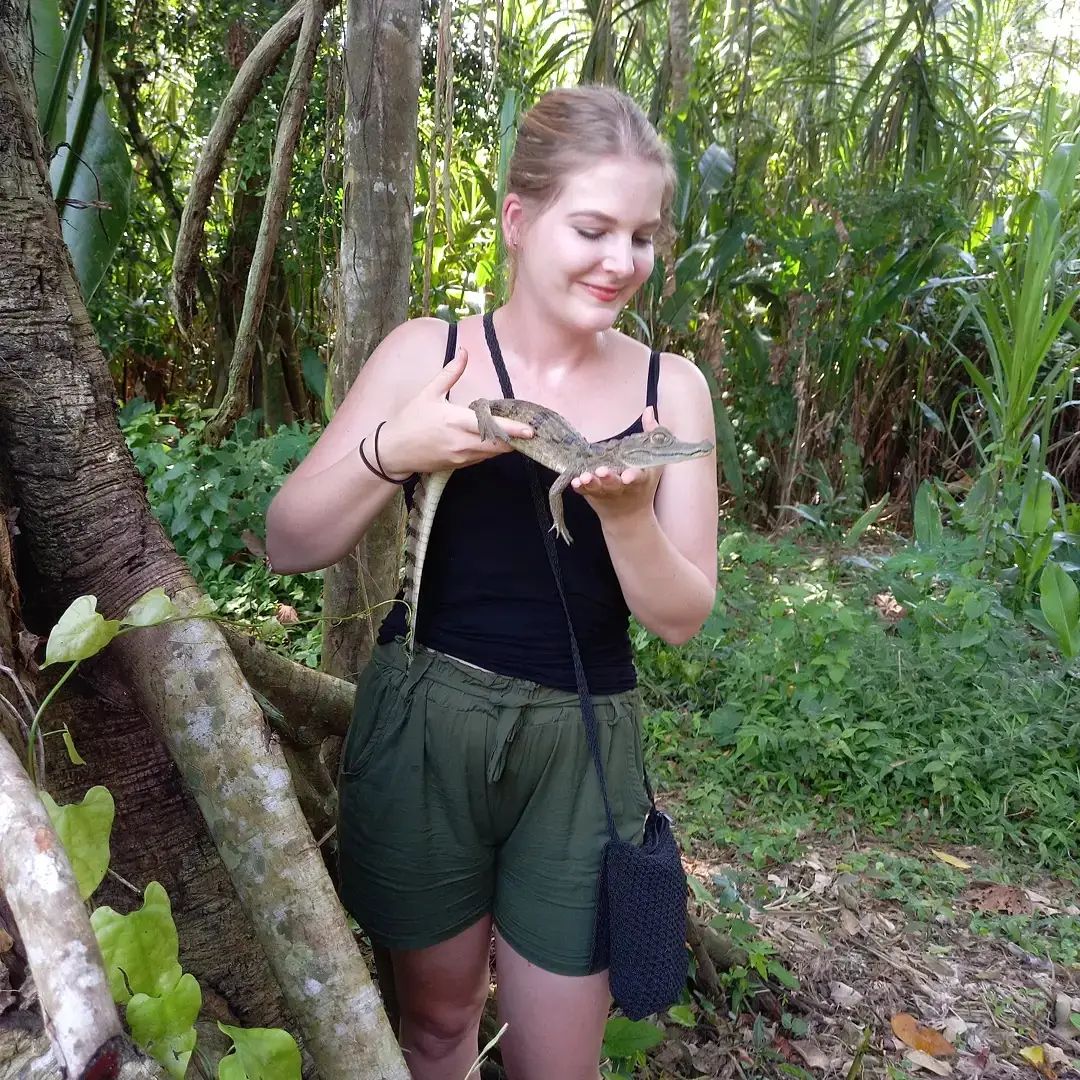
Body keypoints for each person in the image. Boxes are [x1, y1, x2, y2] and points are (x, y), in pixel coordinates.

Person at [266, 85, 718, 1080]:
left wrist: (629, 517)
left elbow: (683, 617)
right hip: (427, 718)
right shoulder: (433, 354)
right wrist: (400, 445)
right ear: (519, 220)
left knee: (560, 1063)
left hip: (584, 743)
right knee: (433, 1033)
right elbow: (288, 541)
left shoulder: (668, 390)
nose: (621, 261)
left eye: (642, 236)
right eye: (593, 228)